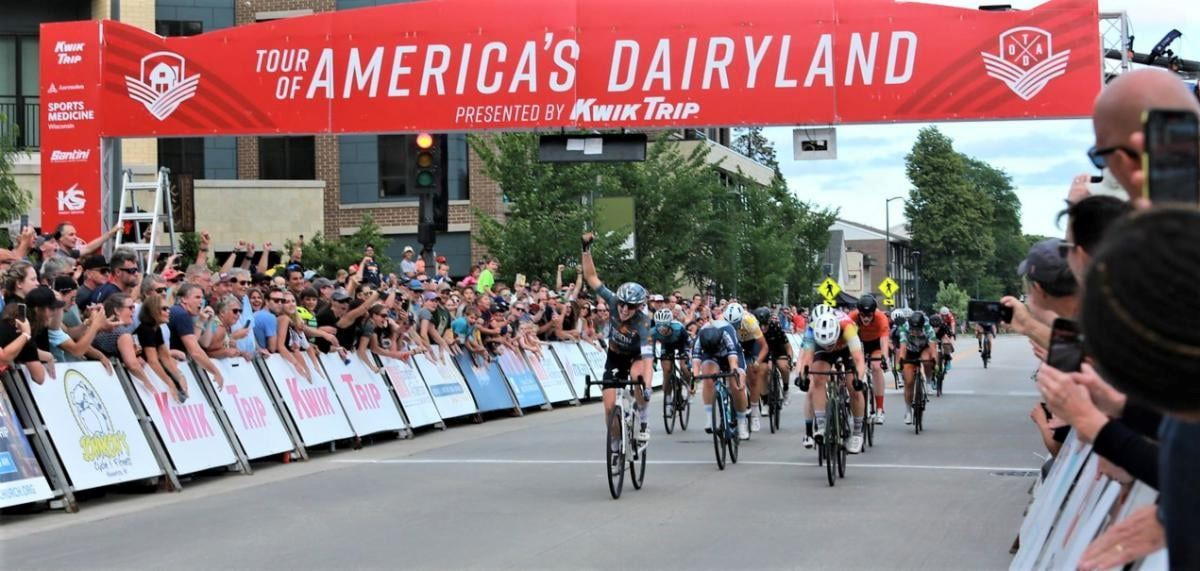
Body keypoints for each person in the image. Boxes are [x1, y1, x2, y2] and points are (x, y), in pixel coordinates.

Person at [579, 232, 654, 445]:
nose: (623, 309)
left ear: (639, 307)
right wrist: (586, 250)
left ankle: (643, 420)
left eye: (630, 306)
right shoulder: (612, 301)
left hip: (637, 357)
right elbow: (591, 277)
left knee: (637, 376)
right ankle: (615, 442)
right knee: (610, 406)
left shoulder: (643, 323)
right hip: (615, 355)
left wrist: (647, 388)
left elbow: (648, 363)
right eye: (621, 304)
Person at [797, 309, 867, 453]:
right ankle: (822, 425)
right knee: (818, 379)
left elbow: (859, 360)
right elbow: (807, 358)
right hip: (821, 348)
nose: (830, 348)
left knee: (854, 387)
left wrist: (858, 379)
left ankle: (858, 433)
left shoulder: (848, 328)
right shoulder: (812, 329)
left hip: (846, 348)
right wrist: (803, 377)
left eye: (830, 345)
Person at [690, 317, 748, 438]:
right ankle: (709, 418)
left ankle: (742, 421)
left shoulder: (727, 333)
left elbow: (733, 364)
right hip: (711, 355)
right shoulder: (700, 336)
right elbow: (696, 365)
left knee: (736, 385)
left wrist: (737, 378)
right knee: (708, 377)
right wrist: (693, 382)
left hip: (730, 353)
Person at [724, 302, 769, 432]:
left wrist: (757, 362)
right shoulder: (723, 321)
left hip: (750, 343)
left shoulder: (749, 321)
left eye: (736, 324)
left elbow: (764, 347)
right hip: (734, 343)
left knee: (753, 376)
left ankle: (754, 413)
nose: (733, 327)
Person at [136, 293, 188, 403]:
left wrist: (179, 377)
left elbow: (166, 357)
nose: (168, 312)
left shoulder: (156, 328)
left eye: (168, 308)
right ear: (153, 310)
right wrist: (170, 383)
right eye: (164, 309)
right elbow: (153, 361)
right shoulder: (146, 329)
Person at [848, 295, 890, 425]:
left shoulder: (881, 318)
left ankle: (879, 409)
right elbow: (846, 338)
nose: (866, 318)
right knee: (850, 367)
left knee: (876, 367)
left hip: (875, 344)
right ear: (858, 313)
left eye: (869, 315)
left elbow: (884, 341)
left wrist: (884, 357)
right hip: (858, 343)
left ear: (874, 313)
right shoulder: (852, 317)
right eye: (863, 315)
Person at [898, 311, 937, 425]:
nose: (915, 332)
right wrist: (901, 359)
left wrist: (934, 360)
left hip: (924, 349)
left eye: (918, 330)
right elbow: (903, 347)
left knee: (926, 360)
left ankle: (929, 382)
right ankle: (908, 411)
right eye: (913, 330)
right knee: (909, 382)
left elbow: (933, 347)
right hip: (910, 351)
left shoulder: (928, 328)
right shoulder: (904, 328)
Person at [651, 307, 691, 415]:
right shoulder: (653, 332)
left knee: (683, 367)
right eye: (659, 325)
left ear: (669, 323)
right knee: (667, 371)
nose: (661, 329)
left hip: (681, 344)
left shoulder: (678, 327)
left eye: (664, 325)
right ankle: (668, 401)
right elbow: (651, 346)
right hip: (666, 346)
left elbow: (688, 342)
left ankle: (689, 387)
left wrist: (687, 355)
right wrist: (653, 359)